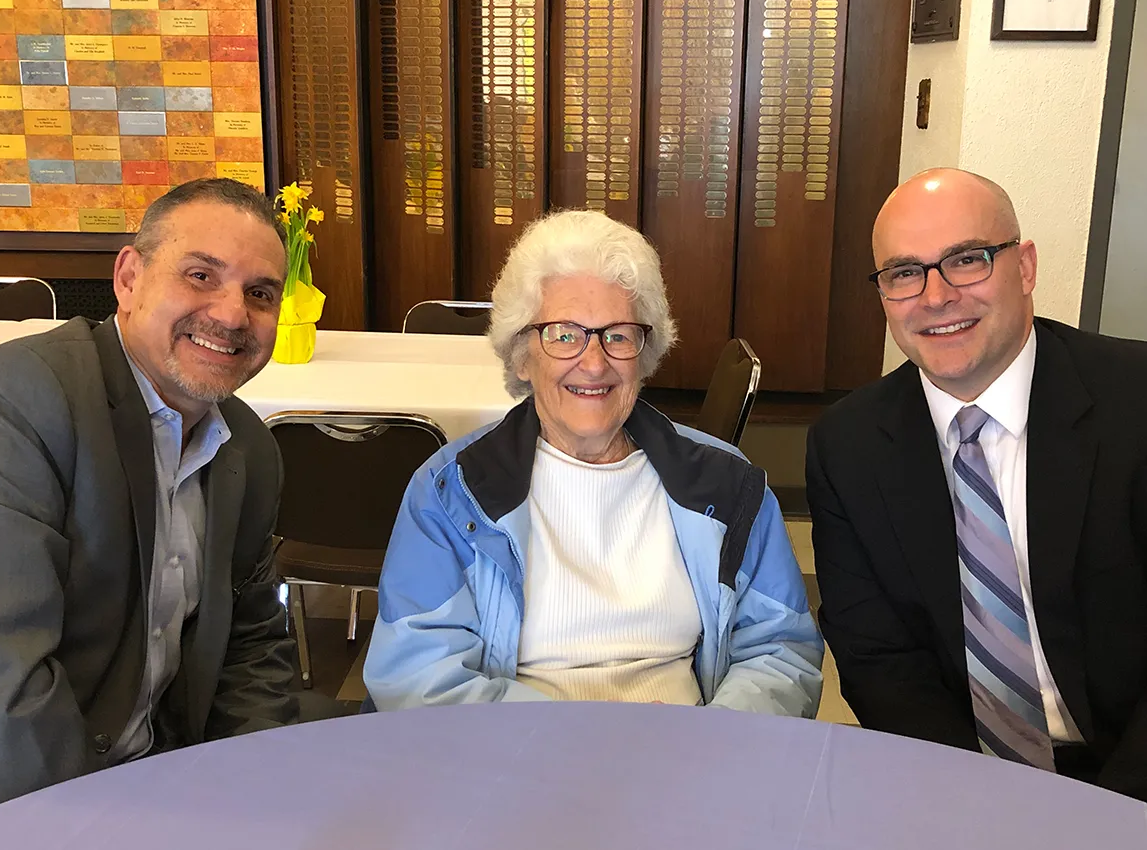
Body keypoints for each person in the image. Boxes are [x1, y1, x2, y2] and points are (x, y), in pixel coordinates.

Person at [364, 209, 823, 714]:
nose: (594, 361)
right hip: (514, 764)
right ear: (521, 353)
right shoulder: (450, 494)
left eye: (618, 334)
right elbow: (419, 675)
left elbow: (780, 653)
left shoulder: (727, 485)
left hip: (690, 760)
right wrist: (579, 750)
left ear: (645, 354)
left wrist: (709, 746)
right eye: (563, 334)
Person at [807, 167, 1147, 799]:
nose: (935, 297)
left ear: (1024, 267)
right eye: (904, 273)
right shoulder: (847, 444)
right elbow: (876, 657)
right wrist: (977, 802)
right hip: (958, 776)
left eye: (966, 260)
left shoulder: (1135, 402)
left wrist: (1114, 819)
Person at [0, 178, 299, 805]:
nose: (233, 314)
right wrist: (99, 825)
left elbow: (252, 642)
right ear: (129, 278)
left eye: (260, 293)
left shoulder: (246, 447)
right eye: (201, 275)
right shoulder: (21, 405)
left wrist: (250, 791)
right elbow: (5, 682)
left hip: (167, 775)